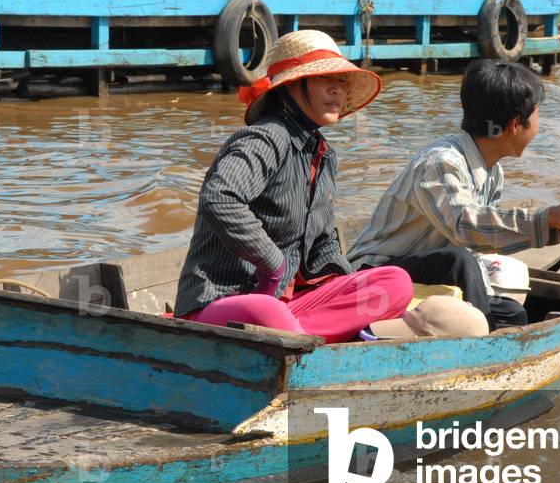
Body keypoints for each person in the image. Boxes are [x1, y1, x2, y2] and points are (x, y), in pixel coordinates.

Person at [174, 30, 413, 344]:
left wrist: (347, 286)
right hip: (227, 299)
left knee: (395, 282)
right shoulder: (265, 138)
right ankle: (300, 337)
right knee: (266, 312)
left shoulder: (323, 154)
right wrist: (272, 263)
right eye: (325, 78)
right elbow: (220, 198)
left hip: (289, 304)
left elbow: (325, 244)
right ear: (292, 86)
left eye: (342, 81)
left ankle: (297, 335)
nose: (337, 90)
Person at [346, 59, 560, 329]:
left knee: (512, 314)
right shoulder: (441, 162)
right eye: (538, 117)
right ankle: (482, 343)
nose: (539, 126)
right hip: (375, 276)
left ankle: (486, 332)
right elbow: (465, 226)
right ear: (515, 124)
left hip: (423, 272)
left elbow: (480, 241)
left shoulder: (492, 171)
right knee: (460, 261)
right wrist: (546, 218)